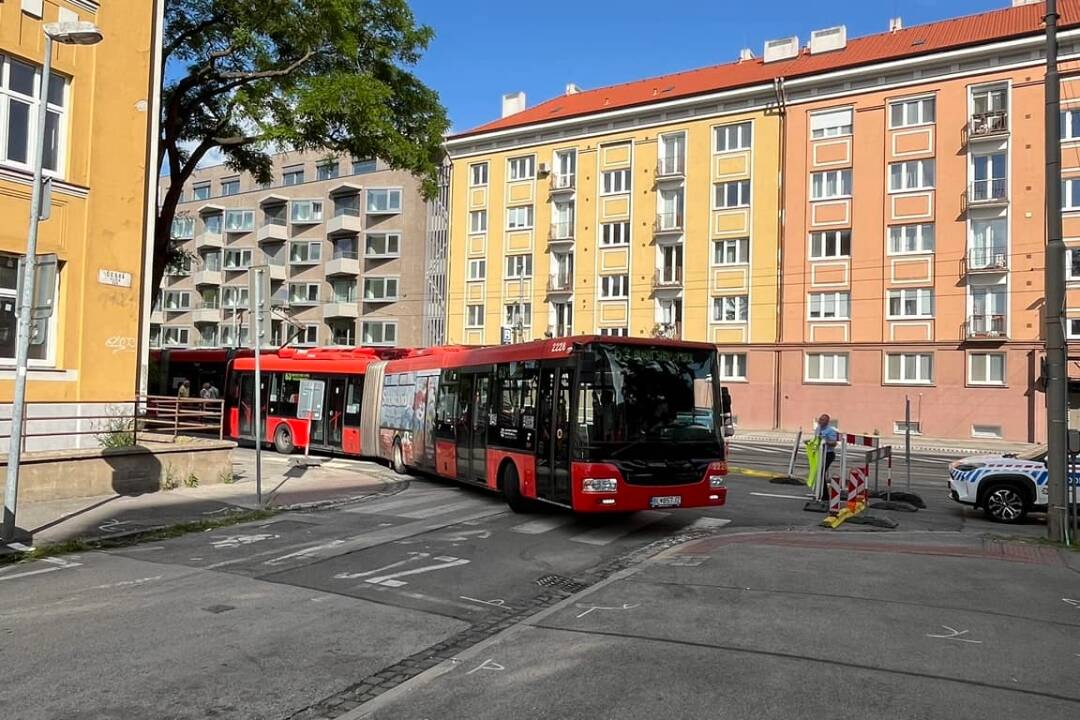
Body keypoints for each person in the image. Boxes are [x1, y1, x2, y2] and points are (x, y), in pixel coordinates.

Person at [814, 414, 838, 502]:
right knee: (818, 473)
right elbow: (816, 440)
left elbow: (834, 443)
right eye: (820, 419)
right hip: (820, 453)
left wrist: (825, 441)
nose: (820, 421)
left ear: (827, 422)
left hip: (828, 454)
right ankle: (819, 493)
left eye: (823, 420)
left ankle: (825, 496)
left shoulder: (830, 431)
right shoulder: (818, 429)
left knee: (821, 473)